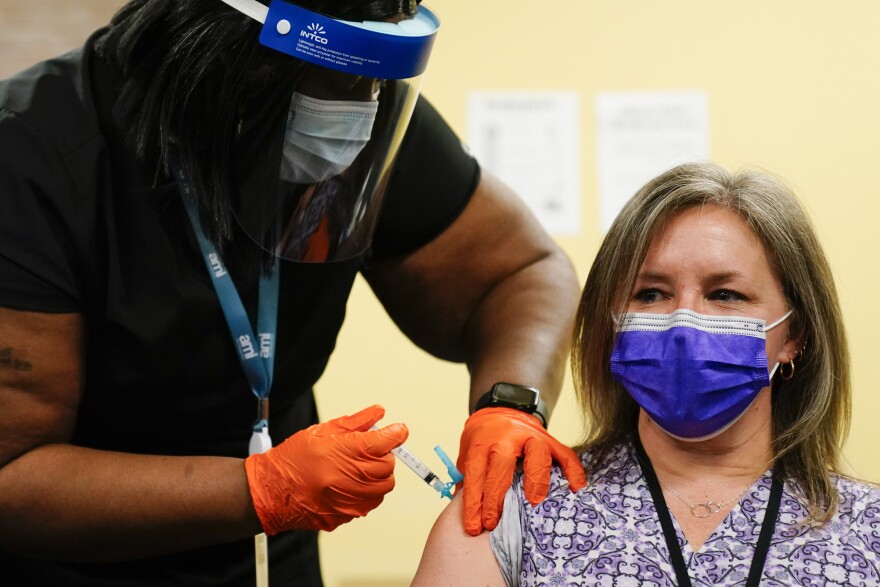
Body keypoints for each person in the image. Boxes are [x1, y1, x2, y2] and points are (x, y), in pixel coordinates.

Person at [0, 0, 587, 584]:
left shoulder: (359, 102)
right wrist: (259, 488)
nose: (360, 111)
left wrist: (511, 407)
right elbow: (11, 474)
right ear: (232, 61)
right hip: (66, 557)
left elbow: (521, 272)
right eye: (337, 82)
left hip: (273, 553)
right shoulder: (32, 153)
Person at [412, 161, 880, 586]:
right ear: (611, 322)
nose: (683, 323)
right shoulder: (510, 512)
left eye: (726, 295)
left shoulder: (868, 529)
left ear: (793, 334)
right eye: (651, 294)